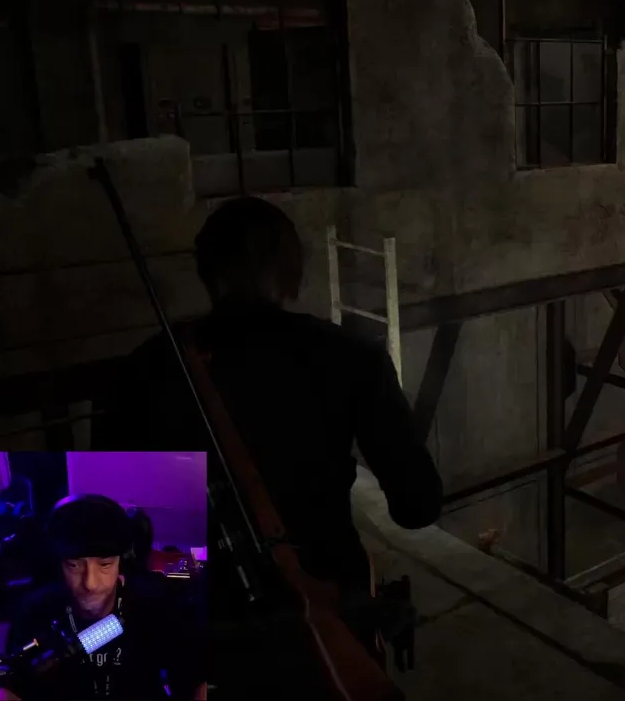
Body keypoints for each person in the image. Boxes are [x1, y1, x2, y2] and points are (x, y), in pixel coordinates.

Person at [92, 197, 442, 678]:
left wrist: (187, 572)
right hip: (326, 620)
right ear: (290, 268)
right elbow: (418, 506)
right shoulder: (349, 356)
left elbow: (110, 525)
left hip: (205, 627)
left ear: (207, 272)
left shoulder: (144, 369)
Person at [0, 495, 207, 701]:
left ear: (121, 563)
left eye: (105, 565)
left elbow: (196, 680)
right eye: (74, 566)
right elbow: (11, 688)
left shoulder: (156, 607)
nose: (90, 583)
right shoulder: (34, 612)